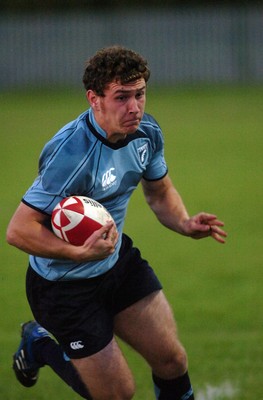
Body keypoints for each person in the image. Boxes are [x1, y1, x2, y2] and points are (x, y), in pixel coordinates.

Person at [7, 45, 227, 400]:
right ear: (94, 99)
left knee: (172, 360)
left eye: (139, 94)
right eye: (122, 97)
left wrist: (184, 223)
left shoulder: (146, 133)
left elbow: (159, 192)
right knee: (117, 394)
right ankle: (39, 344)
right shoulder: (69, 154)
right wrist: (77, 253)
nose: (135, 107)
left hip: (116, 263)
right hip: (64, 288)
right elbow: (18, 230)